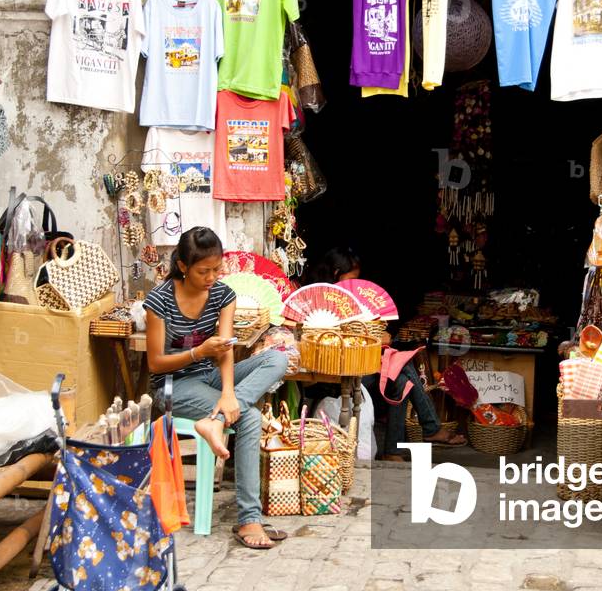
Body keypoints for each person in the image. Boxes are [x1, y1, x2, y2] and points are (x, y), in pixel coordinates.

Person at [144, 227, 289, 549]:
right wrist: (198, 352)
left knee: (278, 359)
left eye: (216, 269)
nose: (211, 277)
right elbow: (155, 364)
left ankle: (216, 420)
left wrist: (227, 394)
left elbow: (224, 350)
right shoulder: (159, 300)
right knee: (250, 417)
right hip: (173, 385)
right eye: (203, 271)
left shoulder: (223, 295)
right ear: (183, 266)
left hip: (208, 377)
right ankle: (249, 520)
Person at [306, 247, 466, 460]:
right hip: (334, 372)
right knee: (401, 371)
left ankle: (396, 449)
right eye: (352, 278)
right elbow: (332, 340)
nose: (355, 283)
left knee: (400, 380)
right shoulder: (320, 301)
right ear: (336, 273)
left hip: (357, 364)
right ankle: (426, 430)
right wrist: (368, 337)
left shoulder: (348, 300)